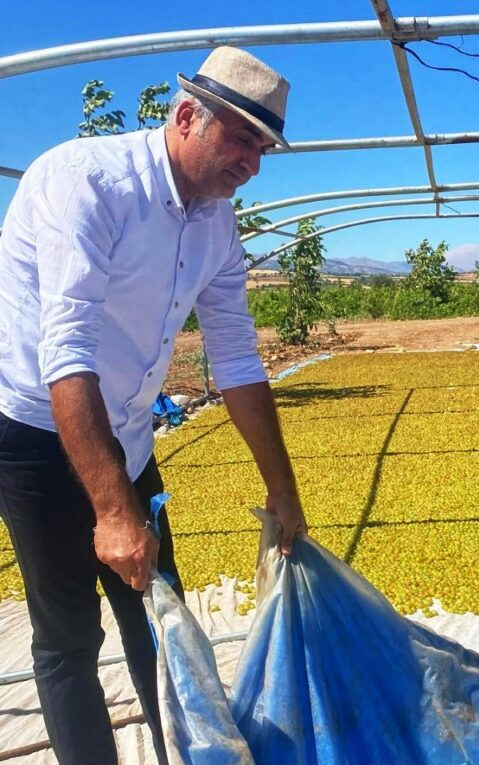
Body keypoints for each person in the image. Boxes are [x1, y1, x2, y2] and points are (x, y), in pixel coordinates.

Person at [0, 47, 308, 764]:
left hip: (128, 432)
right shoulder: (87, 182)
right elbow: (66, 349)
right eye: (241, 139)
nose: (253, 164)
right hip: (36, 432)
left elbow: (235, 359)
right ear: (185, 115)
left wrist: (282, 489)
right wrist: (112, 512)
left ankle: (185, 751)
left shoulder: (215, 224)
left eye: (264, 149)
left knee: (160, 615)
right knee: (69, 635)